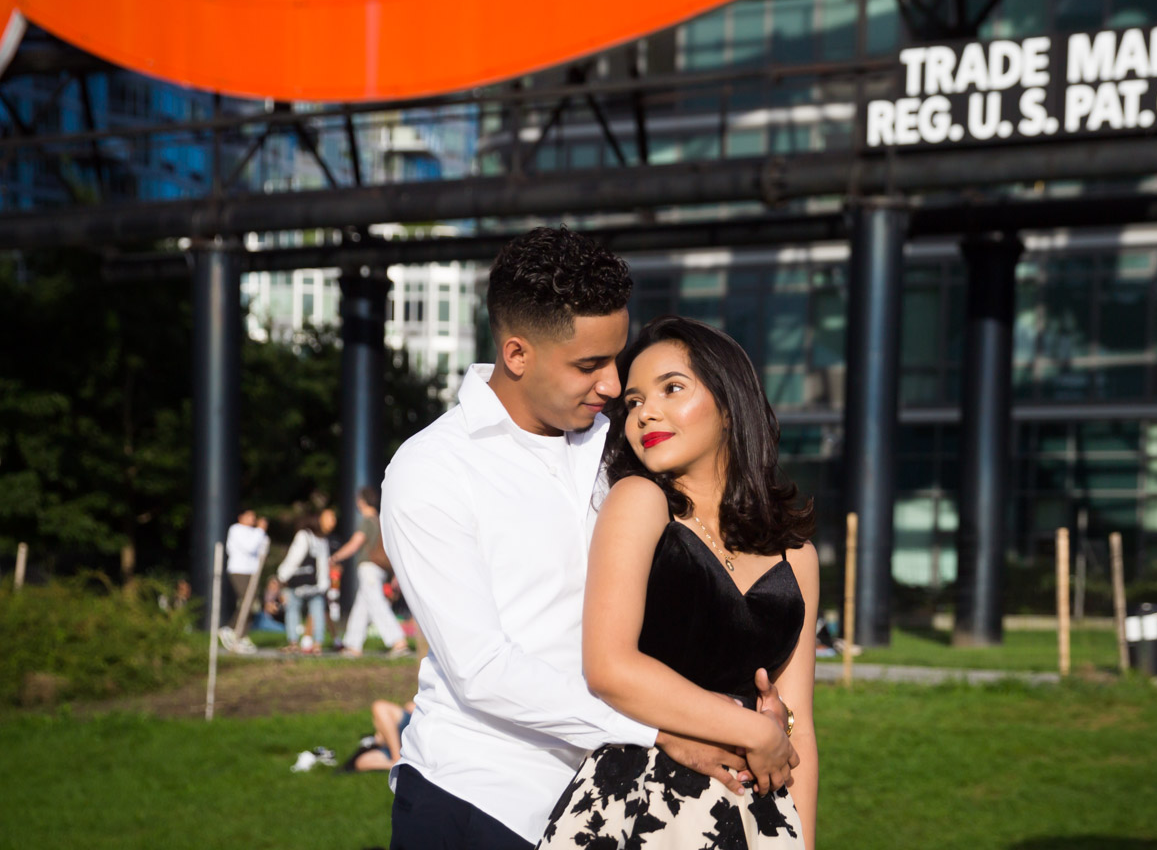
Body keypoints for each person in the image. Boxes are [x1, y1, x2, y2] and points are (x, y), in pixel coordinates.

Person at [381, 227, 787, 850]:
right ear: (517, 355)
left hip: (620, 800)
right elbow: (482, 670)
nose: (611, 385)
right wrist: (659, 731)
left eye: (615, 358)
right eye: (588, 365)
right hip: (481, 795)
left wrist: (745, 706)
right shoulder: (432, 469)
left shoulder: (624, 445)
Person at [541, 316, 818, 850]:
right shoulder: (638, 502)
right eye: (634, 402)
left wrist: (800, 839)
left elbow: (799, 727)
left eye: (672, 388)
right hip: (644, 802)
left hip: (757, 814)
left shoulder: (797, 554)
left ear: (731, 405)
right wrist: (752, 729)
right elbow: (610, 668)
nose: (647, 412)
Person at [336, 486, 412, 659]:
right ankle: (352, 645)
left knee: (376, 604)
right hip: (380, 569)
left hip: (368, 568)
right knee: (361, 607)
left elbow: (356, 543)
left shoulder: (367, 521)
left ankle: (398, 641)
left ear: (361, 501)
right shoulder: (380, 521)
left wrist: (336, 557)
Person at [276, 512, 332, 652]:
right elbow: (323, 564)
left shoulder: (303, 536)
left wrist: (281, 576)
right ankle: (318, 644)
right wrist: (323, 584)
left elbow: (294, 558)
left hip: (297, 583)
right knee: (317, 612)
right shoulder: (322, 539)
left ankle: (293, 642)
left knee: (292, 610)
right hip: (315, 584)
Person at [225, 508, 269, 616]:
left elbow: (264, 548)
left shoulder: (256, 532)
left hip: (253, 571)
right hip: (239, 570)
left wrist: (261, 531)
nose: (252, 519)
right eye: (249, 516)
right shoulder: (235, 529)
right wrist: (260, 530)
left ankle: (241, 631)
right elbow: (250, 547)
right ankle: (232, 628)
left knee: (253, 603)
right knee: (247, 601)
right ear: (241, 517)